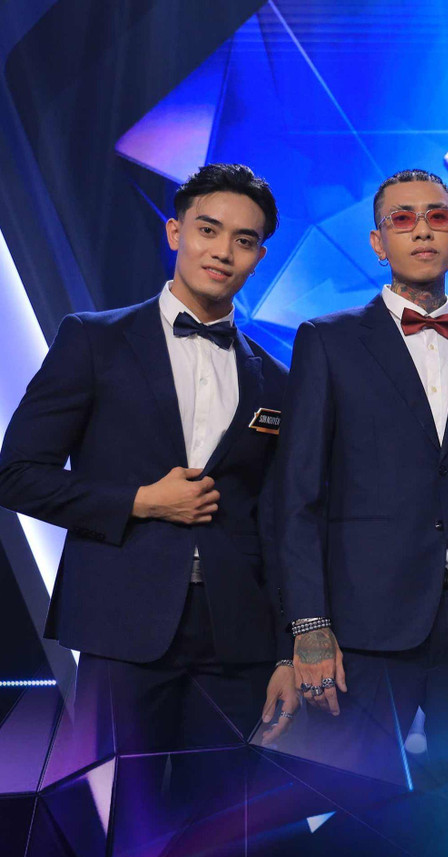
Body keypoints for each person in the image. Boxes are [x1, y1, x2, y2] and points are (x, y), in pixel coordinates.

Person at [0, 163, 296, 755]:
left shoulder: (278, 381)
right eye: (208, 230)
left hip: (238, 641)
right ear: (175, 232)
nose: (223, 252)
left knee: (225, 813)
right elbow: (16, 476)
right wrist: (140, 501)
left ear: (259, 257)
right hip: (120, 625)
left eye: (243, 240)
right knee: (121, 808)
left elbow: (283, 524)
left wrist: (288, 652)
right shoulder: (94, 340)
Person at [271, 168, 448, 819]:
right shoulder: (328, 341)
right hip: (365, 627)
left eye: (437, 216)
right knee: (359, 815)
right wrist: (310, 626)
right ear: (378, 242)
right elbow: (296, 497)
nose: (422, 229)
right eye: (402, 218)